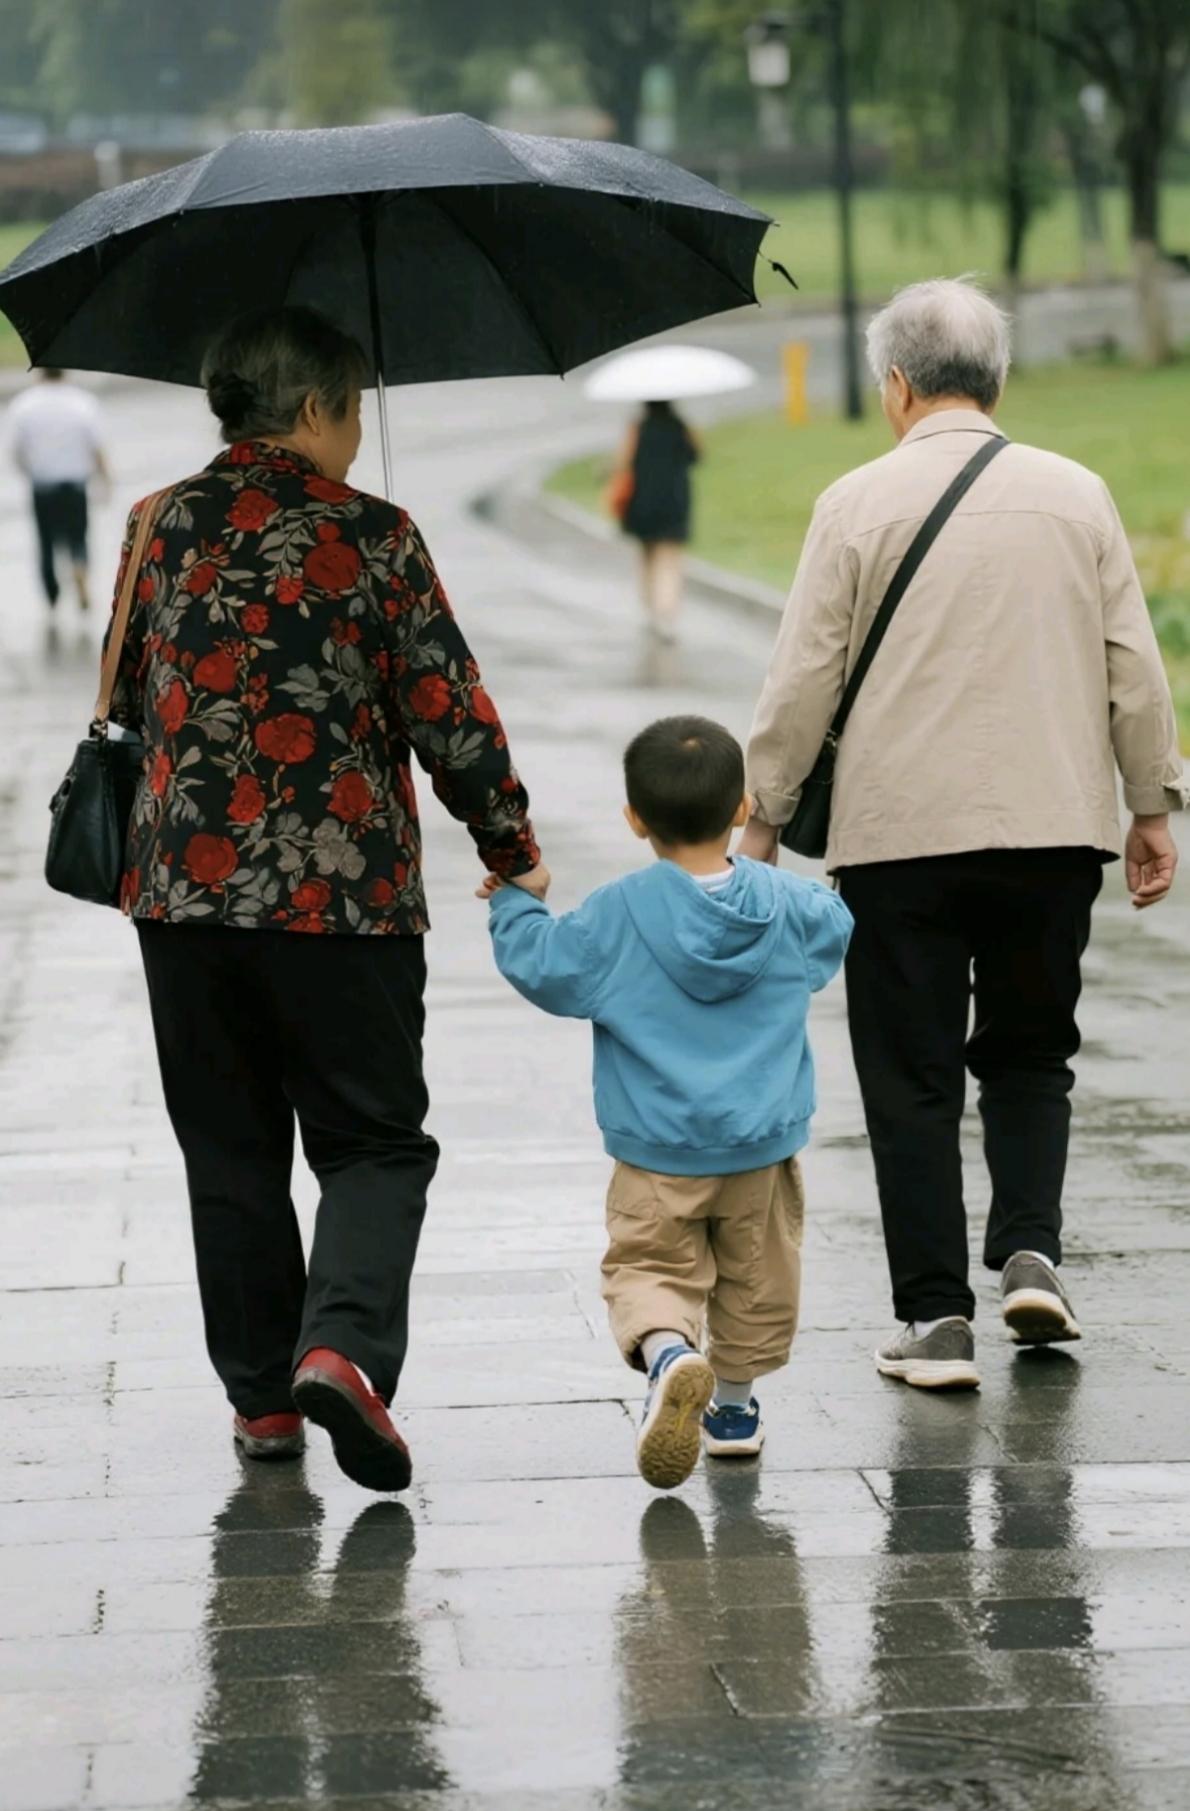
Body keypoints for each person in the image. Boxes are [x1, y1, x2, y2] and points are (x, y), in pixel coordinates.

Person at [101, 305, 546, 1490]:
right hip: (341, 898)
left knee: (229, 1152)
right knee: (374, 1143)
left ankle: (261, 1402)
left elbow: (138, 699)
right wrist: (506, 839)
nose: (357, 432)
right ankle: (341, 1348)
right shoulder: (375, 535)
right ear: (313, 410)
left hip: (181, 901)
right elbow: (446, 710)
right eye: (354, 409)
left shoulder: (155, 527)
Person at [740, 276, 1186, 1391]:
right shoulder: (1075, 495)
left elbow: (802, 678)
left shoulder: (853, 502)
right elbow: (1130, 666)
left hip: (899, 841)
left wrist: (761, 814)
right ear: (996, 379)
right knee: (1032, 1052)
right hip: (1049, 831)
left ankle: (935, 1317)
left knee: (909, 1077)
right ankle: (1030, 1249)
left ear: (894, 384)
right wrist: (1148, 800)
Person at [482, 716, 851, 1489]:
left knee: (650, 1268)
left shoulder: (618, 913)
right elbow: (835, 929)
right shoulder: (786, 906)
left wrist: (519, 901)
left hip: (655, 1151)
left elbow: (544, 967)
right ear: (743, 808)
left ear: (635, 819)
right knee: (756, 1283)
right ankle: (735, 1413)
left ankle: (672, 1354)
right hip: (761, 1146)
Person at [8, 367, 109, 611]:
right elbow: (96, 447)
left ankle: (52, 594)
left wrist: (29, 471)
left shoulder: (24, 405)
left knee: (46, 543)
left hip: (43, 485)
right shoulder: (83, 402)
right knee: (78, 537)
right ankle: (79, 567)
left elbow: (16, 451)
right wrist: (105, 479)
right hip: (75, 483)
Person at [612, 400, 701, 641]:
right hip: (674, 502)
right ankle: (667, 616)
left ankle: (651, 610)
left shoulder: (638, 428)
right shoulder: (680, 427)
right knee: (670, 560)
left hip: (642, 502)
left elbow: (622, 462)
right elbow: (696, 456)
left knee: (647, 556)